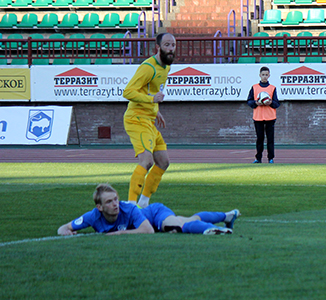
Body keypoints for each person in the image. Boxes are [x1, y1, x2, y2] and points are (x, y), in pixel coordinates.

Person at [57, 184, 240, 236]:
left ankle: (216, 229)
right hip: (150, 220)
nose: (115, 204)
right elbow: (63, 228)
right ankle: (227, 216)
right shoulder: (92, 216)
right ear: (99, 207)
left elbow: (148, 230)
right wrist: (66, 232)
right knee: (189, 220)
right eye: (109, 202)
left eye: (116, 199)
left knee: (174, 226)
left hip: (154, 214)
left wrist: (120, 234)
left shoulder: (128, 209)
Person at [123, 32, 176, 207]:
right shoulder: (148, 67)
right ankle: (131, 205)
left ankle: (144, 203)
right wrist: (151, 100)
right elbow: (128, 92)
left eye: (173, 45)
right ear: (158, 47)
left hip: (149, 119)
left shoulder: (166, 68)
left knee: (163, 162)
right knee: (146, 161)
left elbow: (152, 91)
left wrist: (156, 110)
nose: (171, 49)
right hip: (136, 119)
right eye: (167, 45)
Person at [246, 66, 281, 164]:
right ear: (260, 75)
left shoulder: (272, 88)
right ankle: (258, 158)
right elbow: (249, 101)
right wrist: (256, 103)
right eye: (263, 75)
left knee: (270, 139)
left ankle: (270, 158)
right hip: (258, 117)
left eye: (266, 75)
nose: (264, 76)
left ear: (269, 75)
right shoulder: (254, 87)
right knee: (259, 139)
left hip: (270, 117)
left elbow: (277, 103)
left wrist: (270, 102)